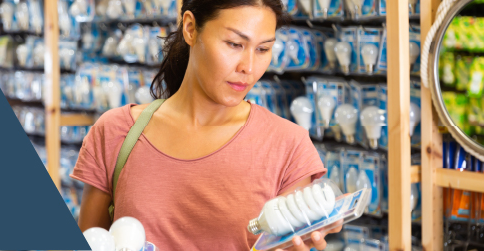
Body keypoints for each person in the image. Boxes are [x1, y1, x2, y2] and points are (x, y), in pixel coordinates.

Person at [71, 0, 341, 250]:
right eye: (235, 44)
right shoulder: (117, 131)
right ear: (190, 28)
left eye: (263, 49)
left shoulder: (288, 146)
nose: (248, 67)